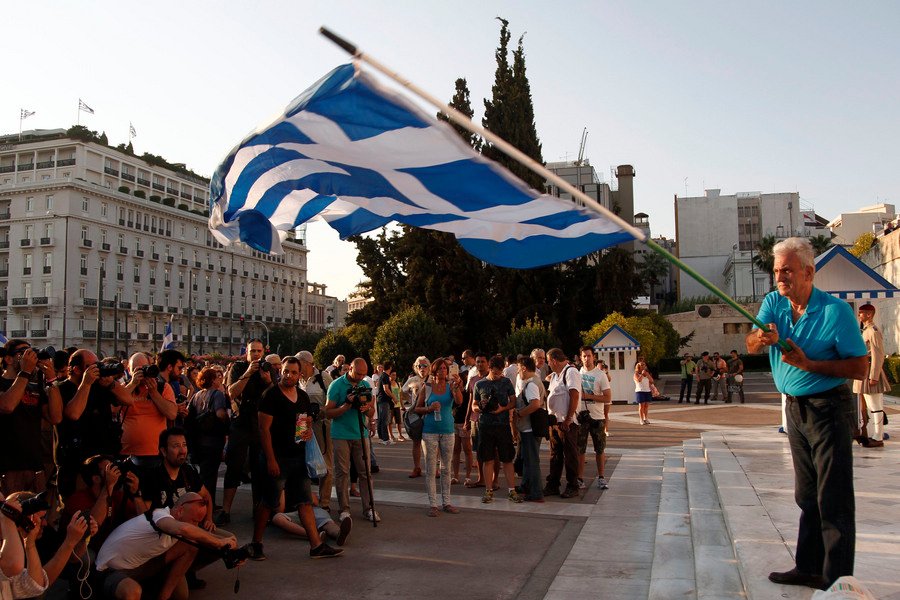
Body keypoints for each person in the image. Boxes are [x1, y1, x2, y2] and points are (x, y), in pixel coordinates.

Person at [746, 237, 867, 590]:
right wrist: (762, 337)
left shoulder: (836, 312)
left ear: (809, 272)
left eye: (787, 270)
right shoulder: (774, 303)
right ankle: (809, 567)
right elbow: (751, 342)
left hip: (828, 407)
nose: (780, 277)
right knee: (807, 494)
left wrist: (809, 364)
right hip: (794, 409)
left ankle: (837, 581)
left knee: (833, 498)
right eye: (776, 270)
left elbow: (859, 367)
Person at [252, 357, 342, 559]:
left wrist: (306, 432)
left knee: (304, 502)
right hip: (277, 457)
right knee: (269, 502)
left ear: (299, 375)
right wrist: (271, 460)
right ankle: (256, 543)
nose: (288, 375)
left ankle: (316, 546)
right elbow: (263, 430)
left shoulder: (301, 396)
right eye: (285, 371)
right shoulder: (271, 395)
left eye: (293, 372)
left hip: (297, 458)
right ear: (281, 371)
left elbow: (302, 425)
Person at [96, 492, 238, 600]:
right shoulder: (160, 516)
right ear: (180, 511)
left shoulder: (181, 521)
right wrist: (219, 542)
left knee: (191, 547)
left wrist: (231, 548)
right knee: (132, 591)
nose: (196, 525)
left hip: (140, 565)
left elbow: (195, 533)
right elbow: (184, 529)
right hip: (111, 570)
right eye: (194, 521)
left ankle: (164, 597)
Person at [218, 340, 272, 525]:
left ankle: (257, 510)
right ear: (246, 353)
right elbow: (231, 393)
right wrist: (248, 372)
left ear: (263, 352)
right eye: (252, 351)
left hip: (259, 425)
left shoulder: (268, 368)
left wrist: (268, 381)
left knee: (259, 470)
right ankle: (226, 510)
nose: (256, 355)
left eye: (259, 351)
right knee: (233, 467)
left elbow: (275, 396)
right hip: (240, 423)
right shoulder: (238, 368)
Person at [0, 341, 62, 496]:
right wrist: (25, 372)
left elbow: (55, 417)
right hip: (7, 467)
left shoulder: (35, 386)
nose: (30, 356)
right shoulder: (1, 382)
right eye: (24, 352)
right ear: (8, 359)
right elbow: (7, 405)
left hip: (34, 466)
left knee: (37, 518)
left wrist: (52, 380)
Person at [325, 358, 380, 523]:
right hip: (341, 434)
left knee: (366, 472)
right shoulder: (336, 385)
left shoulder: (364, 385)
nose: (360, 377)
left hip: (360, 434)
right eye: (358, 373)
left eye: (364, 374)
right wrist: (345, 405)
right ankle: (344, 510)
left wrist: (366, 409)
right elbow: (328, 412)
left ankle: (369, 508)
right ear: (349, 369)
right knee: (342, 473)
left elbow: (371, 413)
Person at [415, 357, 463, 516]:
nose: (444, 371)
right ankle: (433, 505)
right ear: (434, 371)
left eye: (445, 369)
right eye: (441, 368)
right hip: (429, 431)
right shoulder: (427, 387)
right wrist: (429, 408)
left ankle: (447, 502)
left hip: (448, 430)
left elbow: (459, 401)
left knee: (446, 468)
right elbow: (417, 408)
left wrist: (457, 388)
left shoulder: (451, 386)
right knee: (430, 469)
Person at [472, 356, 521, 504]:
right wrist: (481, 406)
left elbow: (513, 401)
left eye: (501, 370)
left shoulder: (506, 382)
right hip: (486, 425)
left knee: (507, 459)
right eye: (496, 371)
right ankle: (488, 491)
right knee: (488, 459)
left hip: (503, 425)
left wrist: (502, 408)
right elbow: (474, 405)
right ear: (490, 368)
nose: (499, 374)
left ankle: (512, 491)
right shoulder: (479, 384)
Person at [121, 352, 177, 469]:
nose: (142, 373)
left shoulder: (163, 387)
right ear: (129, 370)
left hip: (155, 453)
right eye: (137, 369)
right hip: (127, 452)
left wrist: (154, 393)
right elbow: (114, 407)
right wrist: (132, 384)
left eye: (144, 368)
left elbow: (172, 414)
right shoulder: (124, 388)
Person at [296, 350, 335, 512]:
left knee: (325, 462)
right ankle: (305, 499)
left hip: (321, 424)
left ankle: (324, 502)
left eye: (298, 363)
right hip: (301, 423)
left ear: (306, 363)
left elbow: (332, 400)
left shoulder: (323, 378)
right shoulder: (298, 379)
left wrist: (318, 412)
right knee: (302, 460)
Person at [186, 367, 230, 507]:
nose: (219, 380)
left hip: (198, 440)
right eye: (217, 378)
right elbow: (220, 414)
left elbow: (188, 414)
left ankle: (205, 501)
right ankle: (206, 503)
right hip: (213, 441)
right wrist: (228, 421)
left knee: (204, 473)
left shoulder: (197, 395)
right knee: (210, 475)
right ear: (212, 380)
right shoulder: (217, 394)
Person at [543, 349, 582, 499]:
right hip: (555, 422)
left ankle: (573, 486)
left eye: (548, 361)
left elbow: (575, 395)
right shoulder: (555, 375)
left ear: (553, 360)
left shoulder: (570, 372)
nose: (548, 364)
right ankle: (553, 484)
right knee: (556, 455)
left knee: (570, 455)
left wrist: (568, 419)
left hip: (567, 423)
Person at [853, 303, 890, 447]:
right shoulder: (866, 330)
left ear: (869, 314)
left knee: (875, 406)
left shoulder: (873, 331)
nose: (859, 315)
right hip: (864, 371)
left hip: (870, 372)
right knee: (869, 406)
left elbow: (878, 355)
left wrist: (874, 376)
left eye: (862, 313)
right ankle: (870, 433)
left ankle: (878, 436)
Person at [578, 347, 611, 490]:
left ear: (594, 357)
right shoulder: (575, 373)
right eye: (584, 356)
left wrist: (589, 396)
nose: (587, 359)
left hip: (597, 417)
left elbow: (607, 397)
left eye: (589, 356)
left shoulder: (600, 375)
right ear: (580, 357)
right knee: (580, 449)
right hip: (580, 417)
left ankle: (601, 477)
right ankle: (579, 479)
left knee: (600, 449)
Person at [513, 356, 544, 502]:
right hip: (527, 428)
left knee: (532, 461)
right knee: (527, 459)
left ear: (524, 368)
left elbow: (535, 404)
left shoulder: (531, 384)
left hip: (530, 428)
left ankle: (536, 492)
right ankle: (526, 485)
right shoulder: (533, 381)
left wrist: (519, 413)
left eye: (519, 369)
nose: (518, 372)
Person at [401, 357, 430, 478]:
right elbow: (402, 392)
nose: (422, 368)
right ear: (415, 368)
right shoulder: (412, 379)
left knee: (431, 442)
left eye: (424, 365)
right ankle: (417, 468)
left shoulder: (433, 379)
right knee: (416, 442)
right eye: (419, 366)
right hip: (417, 414)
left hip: (430, 413)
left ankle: (433, 468)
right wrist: (411, 403)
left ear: (429, 367)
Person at [376, 361, 395, 445]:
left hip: (380, 400)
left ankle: (381, 438)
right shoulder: (385, 376)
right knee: (384, 420)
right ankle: (386, 439)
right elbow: (386, 389)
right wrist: (394, 397)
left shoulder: (382, 376)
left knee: (380, 420)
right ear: (390, 367)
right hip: (384, 400)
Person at [389, 370, 405, 442]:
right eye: (392, 375)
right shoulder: (388, 384)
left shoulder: (398, 384)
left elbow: (400, 396)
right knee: (389, 421)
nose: (394, 376)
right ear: (389, 375)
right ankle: (391, 435)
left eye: (395, 375)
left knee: (398, 421)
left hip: (397, 405)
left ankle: (400, 435)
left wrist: (402, 406)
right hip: (390, 405)